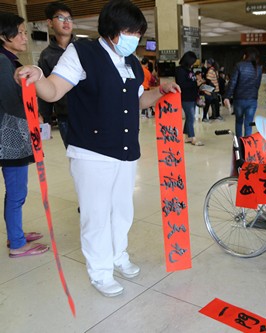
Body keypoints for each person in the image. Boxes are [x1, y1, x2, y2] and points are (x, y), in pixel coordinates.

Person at [15, 0, 181, 297]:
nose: (135, 39)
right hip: (92, 152)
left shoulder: (131, 61)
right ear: (112, 30)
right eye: (131, 32)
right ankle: (100, 271)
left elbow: (137, 101)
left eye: (138, 34)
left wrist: (160, 91)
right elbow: (53, 91)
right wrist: (38, 78)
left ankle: (119, 256)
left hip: (126, 151)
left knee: (122, 211)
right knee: (96, 214)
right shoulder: (82, 53)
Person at [1, 12, 49, 258]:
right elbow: (10, 103)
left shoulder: (9, 60)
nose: (24, 37)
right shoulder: (2, 61)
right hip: (9, 139)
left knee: (16, 191)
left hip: (11, 137)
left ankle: (15, 233)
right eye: (19, 32)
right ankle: (17, 244)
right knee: (17, 191)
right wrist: (33, 115)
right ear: (3, 36)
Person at [38, 1, 75, 148]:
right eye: (61, 18)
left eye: (69, 18)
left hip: (91, 113)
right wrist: (45, 119)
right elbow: (44, 90)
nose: (66, 22)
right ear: (50, 22)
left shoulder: (84, 48)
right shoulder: (46, 56)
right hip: (65, 116)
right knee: (74, 159)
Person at [224, 47, 263, 138]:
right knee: (248, 124)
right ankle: (247, 146)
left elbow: (233, 82)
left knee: (239, 121)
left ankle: (239, 144)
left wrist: (227, 96)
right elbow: (257, 85)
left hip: (239, 99)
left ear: (245, 55)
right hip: (252, 100)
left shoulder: (239, 65)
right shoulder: (258, 68)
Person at [175, 51, 203, 146]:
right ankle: (193, 138)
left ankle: (187, 136)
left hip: (192, 96)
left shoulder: (190, 70)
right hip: (186, 97)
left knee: (189, 117)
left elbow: (192, 82)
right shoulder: (180, 70)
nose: (194, 64)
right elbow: (182, 84)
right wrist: (195, 83)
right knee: (191, 117)